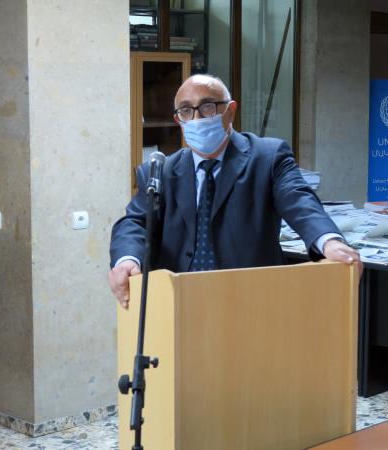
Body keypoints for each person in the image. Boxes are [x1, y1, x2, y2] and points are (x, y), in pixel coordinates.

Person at [108, 74, 362, 308]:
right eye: (186, 110)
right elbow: (135, 222)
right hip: (178, 303)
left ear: (230, 111)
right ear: (179, 120)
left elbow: (299, 201)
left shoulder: (268, 157)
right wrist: (127, 259)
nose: (197, 118)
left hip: (250, 301)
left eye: (207, 106)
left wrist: (328, 240)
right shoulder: (160, 171)